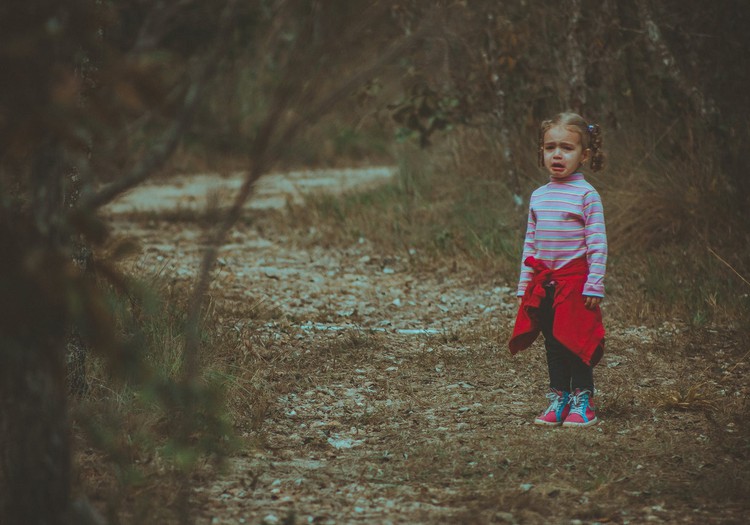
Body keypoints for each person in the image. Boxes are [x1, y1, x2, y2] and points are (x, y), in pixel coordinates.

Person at [508, 112, 607, 428]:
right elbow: (531, 245)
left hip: (575, 282)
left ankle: (583, 400)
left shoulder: (586, 195)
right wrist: (525, 286)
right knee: (552, 341)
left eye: (567, 148)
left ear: (584, 155)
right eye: (550, 148)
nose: (558, 154)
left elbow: (597, 244)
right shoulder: (539, 196)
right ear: (542, 152)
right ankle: (559, 396)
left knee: (575, 339)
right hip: (545, 283)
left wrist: (594, 283)